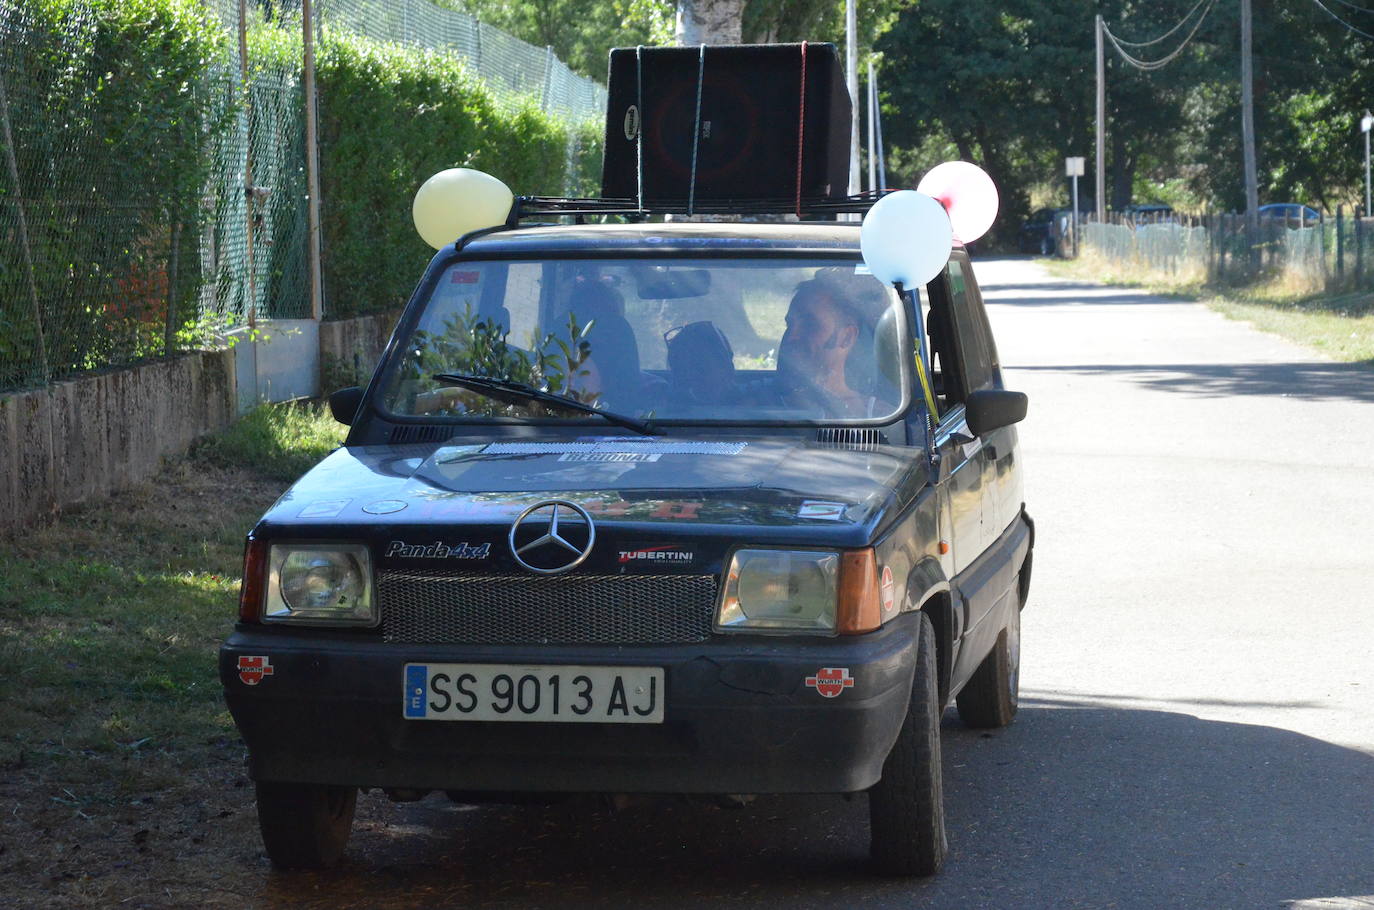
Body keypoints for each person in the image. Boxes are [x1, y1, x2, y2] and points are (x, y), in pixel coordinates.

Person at [770, 272, 877, 417]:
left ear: (847, 337)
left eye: (810, 324)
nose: (791, 336)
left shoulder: (881, 418)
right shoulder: (750, 406)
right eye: (789, 325)